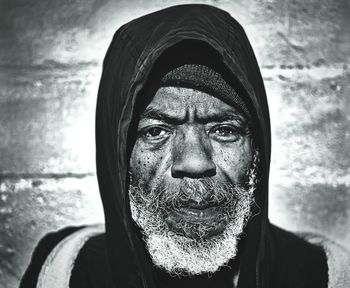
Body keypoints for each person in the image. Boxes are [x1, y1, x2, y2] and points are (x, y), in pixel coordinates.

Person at [20, 4, 350, 288]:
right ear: (118, 154)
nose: (194, 162)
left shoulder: (320, 275)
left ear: (257, 150)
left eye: (224, 130)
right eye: (156, 132)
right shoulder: (68, 272)